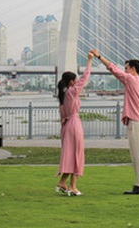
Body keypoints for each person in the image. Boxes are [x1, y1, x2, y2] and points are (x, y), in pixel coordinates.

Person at [91, 49, 139, 195]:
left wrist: (99, 56)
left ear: (132, 69)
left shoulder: (130, 80)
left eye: (126, 68)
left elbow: (113, 69)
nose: (124, 71)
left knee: (136, 154)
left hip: (135, 122)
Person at [55, 52, 93, 196]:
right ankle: (72, 186)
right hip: (74, 124)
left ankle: (64, 183)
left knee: (70, 154)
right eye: (75, 80)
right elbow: (85, 78)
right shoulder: (72, 92)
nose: (77, 82)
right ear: (71, 82)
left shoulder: (63, 96)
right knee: (77, 154)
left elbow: (62, 117)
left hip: (66, 127)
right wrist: (89, 61)